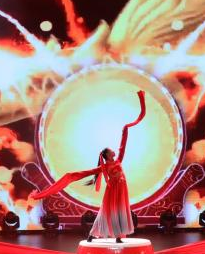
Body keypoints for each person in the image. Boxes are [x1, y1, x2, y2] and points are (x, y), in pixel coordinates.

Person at [30, 91, 147, 243]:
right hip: (113, 191)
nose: (114, 150)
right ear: (107, 155)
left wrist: (126, 128)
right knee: (107, 213)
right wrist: (70, 176)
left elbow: (123, 143)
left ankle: (118, 236)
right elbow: (83, 173)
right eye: (110, 150)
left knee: (120, 212)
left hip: (122, 189)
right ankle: (93, 234)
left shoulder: (119, 160)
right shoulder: (103, 167)